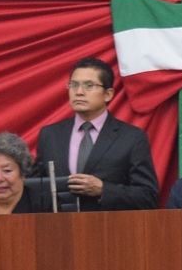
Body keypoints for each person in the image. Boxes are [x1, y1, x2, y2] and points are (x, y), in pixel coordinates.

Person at [33, 57, 160, 212]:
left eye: (89, 85)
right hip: (59, 229)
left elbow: (148, 196)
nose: (79, 92)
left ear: (108, 94)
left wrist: (103, 190)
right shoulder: (50, 135)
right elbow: (35, 189)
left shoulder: (132, 138)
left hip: (109, 230)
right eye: (74, 85)